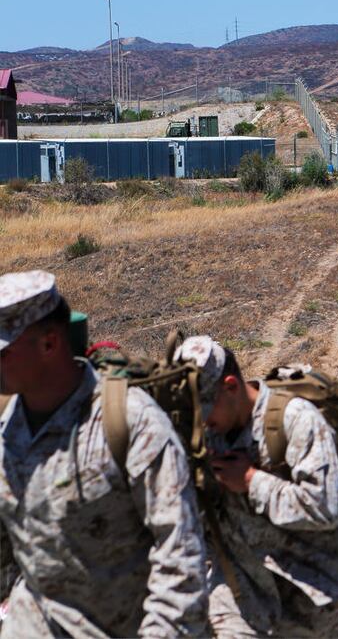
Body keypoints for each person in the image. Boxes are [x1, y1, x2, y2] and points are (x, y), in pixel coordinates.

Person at [0, 270, 208, 636]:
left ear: (49, 344)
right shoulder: (7, 432)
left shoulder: (130, 422)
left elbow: (180, 561)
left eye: (3, 352)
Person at [174, 336, 338, 637]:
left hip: (311, 598)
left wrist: (251, 481)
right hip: (242, 595)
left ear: (231, 386)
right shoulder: (204, 437)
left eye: (206, 408)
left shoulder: (296, 420)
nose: (203, 421)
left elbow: (327, 507)